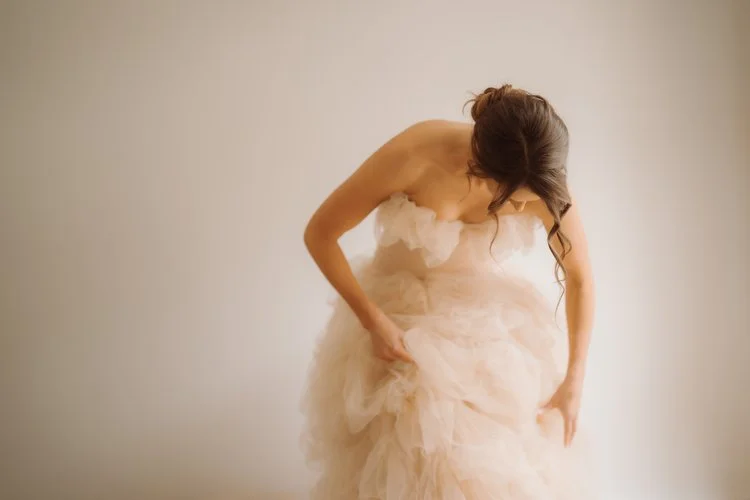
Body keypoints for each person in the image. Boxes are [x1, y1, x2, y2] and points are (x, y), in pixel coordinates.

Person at [301, 84, 595, 499]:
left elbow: (579, 276)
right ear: (480, 166)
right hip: (397, 313)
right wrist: (372, 320)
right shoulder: (413, 155)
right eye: (512, 200)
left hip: (479, 315)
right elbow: (320, 233)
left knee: (496, 453)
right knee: (415, 424)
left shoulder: (541, 178)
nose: (520, 210)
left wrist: (574, 379)